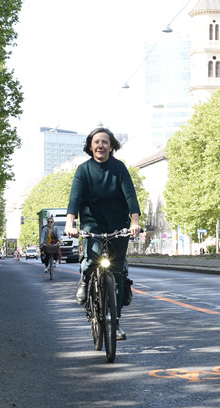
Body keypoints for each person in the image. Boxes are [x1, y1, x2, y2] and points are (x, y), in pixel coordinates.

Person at [64, 127, 141, 341]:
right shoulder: (83, 170)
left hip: (118, 225)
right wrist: (70, 224)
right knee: (93, 259)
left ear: (111, 146)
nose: (101, 145)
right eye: (97, 142)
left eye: (105, 142)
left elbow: (131, 197)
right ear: (90, 146)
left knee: (116, 272)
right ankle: (85, 279)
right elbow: (75, 199)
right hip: (92, 224)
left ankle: (115, 324)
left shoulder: (119, 168)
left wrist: (135, 223)